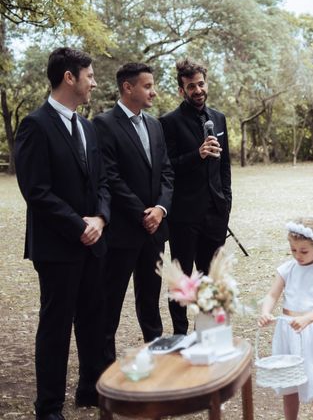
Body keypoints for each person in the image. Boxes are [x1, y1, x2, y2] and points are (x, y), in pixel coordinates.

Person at [14, 47, 111, 420]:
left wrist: (100, 219)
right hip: (57, 246)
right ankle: (49, 407)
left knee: (93, 320)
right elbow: (36, 191)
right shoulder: (35, 125)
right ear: (69, 77)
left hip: (93, 241)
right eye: (89, 75)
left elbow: (101, 181)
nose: (94, 82)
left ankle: (90, 389)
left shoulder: (86, 125)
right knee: (55, 327)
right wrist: (78, 225)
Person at [93, 63, 174, 365]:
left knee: (150, 303)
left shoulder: (155, 125)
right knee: (109, 303)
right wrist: (143, 212)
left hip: (155, 233)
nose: (153, 91)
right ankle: (102, 374)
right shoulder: (103, 124)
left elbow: (167, 171)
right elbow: (110, 177)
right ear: (128, 88)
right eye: (148, 85)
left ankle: (157, 363)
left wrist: (161, 209)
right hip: (122, 233)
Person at [160, 58, 231, 335]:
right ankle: (180, 335)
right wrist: (197, 155)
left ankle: (208, 331)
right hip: (183, 215)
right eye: (191, 86)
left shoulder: (220, 118)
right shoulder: (168, 122)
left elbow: (224, 168)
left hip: (215, 213)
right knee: (182, 280)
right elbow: (168, 167)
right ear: (181, 90)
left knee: (210, 279)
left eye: (201, 84)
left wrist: (225, 204)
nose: (198, 90)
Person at [258, 218, 313, 420]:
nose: (298, 255)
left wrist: (308, 318)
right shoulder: (287, 269)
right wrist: (266, 311)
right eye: (293, 250)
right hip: (289, 330)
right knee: (289, 379)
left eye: (304, 251)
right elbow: (273, 294)